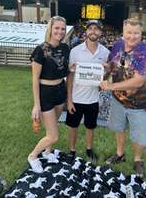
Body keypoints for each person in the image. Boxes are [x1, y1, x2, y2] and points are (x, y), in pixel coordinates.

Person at [100, 18, 146, 178]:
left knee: (139, 136)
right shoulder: (117, 45)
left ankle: (138, 160)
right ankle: (120, 153)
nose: (132, 37)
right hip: (118, 99)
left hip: (139, 103)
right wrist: (104, 72)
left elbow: (138, 81)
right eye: (129, 33)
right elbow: (112, 64)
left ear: (141, 33)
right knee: (118, 127)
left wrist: (110, 86)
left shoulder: (145, 52)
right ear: (123, 33)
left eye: (136, 33)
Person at [28, 16, 70, 173]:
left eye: (62, 29)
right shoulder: (41, 50)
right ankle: (33, 156)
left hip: (60, 90)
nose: (60, 31)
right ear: (50, 29)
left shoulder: (65, 48)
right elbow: (35, 79)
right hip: (45, 93)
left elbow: (63, 69)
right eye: (57, 28)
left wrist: (71, 67)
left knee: (52, 127)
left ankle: (47, 152)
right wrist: (36, 105)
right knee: (53, 135)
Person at [66, 20, 109, 162]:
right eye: (90, 28)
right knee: (73, 126)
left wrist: (107, 71)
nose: (93, 31)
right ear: (86, 31)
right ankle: (72, 150)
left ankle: (89, 149)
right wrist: (69, 99)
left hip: (93, 99)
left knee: (91, 126)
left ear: (101, 33)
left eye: (96, 29)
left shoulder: (105, 52)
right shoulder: (75, 51)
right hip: (76, 98)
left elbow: (105, 77)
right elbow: (70, 76)